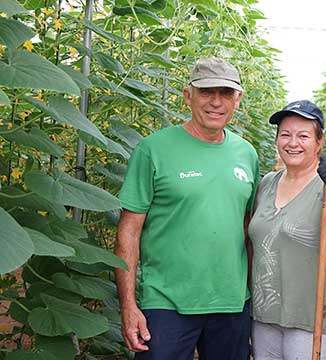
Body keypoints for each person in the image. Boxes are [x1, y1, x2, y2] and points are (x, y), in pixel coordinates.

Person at [115, 57, 258, 360]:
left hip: (231, 302)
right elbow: (129, 231)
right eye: (207, 92)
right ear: (187, 95)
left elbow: (247, 227)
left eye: (226, 93)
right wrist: (128, 305)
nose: (216, 102)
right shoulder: (153, 150)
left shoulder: (246, 154)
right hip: (166, 303)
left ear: (238, 99)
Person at [248, 100, 326, 359]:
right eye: (285, 135)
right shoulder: (267, 183)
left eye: (303, 136)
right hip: (265, 316)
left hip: (312, 319)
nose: (292, 143)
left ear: (319, 143)